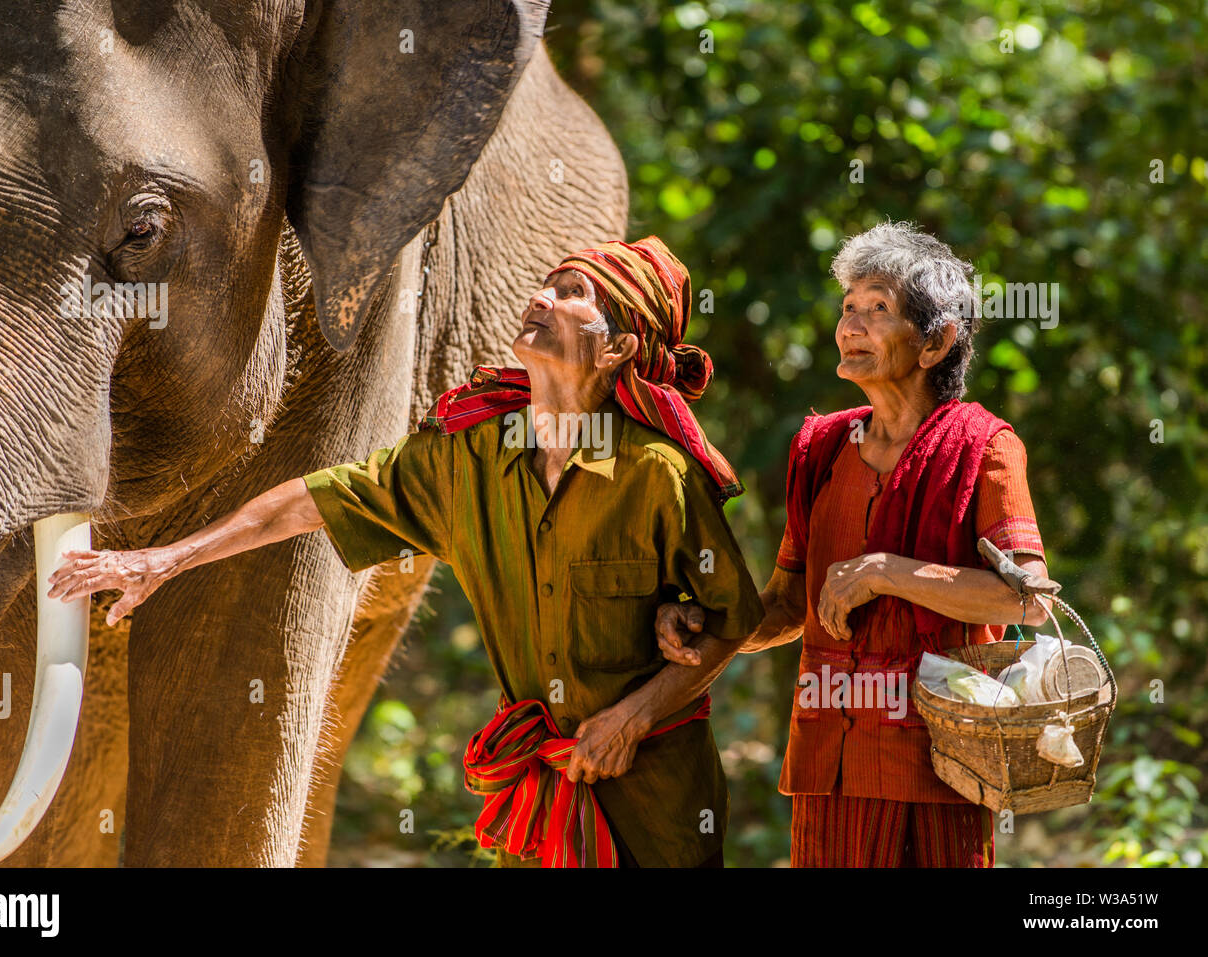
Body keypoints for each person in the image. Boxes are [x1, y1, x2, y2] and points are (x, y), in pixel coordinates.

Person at [48, 235, 765, 868]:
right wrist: (162, 559)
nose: (541, 296)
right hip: (543, 799)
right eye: (547, 282)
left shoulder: (656, 475)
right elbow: (312, 500)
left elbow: (732, 618)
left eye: (573, 293)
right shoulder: (470, 458)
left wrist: (634, 713)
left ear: (617, 349)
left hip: (656, 806)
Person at [657, 221, 1051, 867]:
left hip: (939, 766)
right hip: (827, 764)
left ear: (936, 342)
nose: (850, 325)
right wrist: (707, 622)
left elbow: (1027, 601)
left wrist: (887, 571)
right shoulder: (818, 447)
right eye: (848, 307)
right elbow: (788, 605)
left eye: (878, 309)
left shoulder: (986, 446)